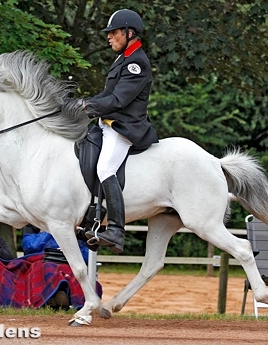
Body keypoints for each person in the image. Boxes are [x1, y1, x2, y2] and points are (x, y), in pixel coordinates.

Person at [83, 9, 159, 254]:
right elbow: (106, 96)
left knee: (106, 167)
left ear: (129, 33)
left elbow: (117, 101)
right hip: (107, 124)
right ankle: (91, 215)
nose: (109, 37)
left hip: (124, 127)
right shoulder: (123, 58)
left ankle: (116, 229)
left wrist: (86, 106)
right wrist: (82, 104)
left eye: (114, 32)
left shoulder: (137, 62)